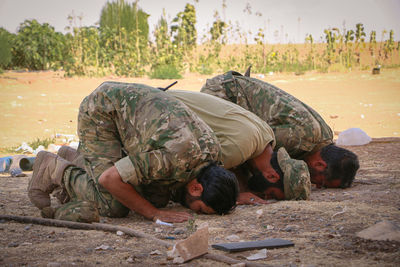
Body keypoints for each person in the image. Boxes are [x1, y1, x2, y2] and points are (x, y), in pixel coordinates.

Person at [27, 82, 239, 223]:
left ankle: (78, 158)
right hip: (103, 112)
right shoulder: (175, 159)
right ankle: (53, 168)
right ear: (195, 187)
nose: (195, 212)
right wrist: (153, 214)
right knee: (113, 204)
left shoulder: (212, 154)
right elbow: (110, 179)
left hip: (132, 121)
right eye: (200, 209)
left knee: (155, 196)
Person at [200, 70, 359, 189]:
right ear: (320, 165)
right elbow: (252, 144)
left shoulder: (323, 137)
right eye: (321, 183)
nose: (316, 185)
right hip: (222, 93)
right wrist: (242, 188)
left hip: (233, 92)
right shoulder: (301, 140)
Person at [167, 90, 311, 204]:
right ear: (272, 175)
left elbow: (235, 167)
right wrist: (235, 196)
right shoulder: (239, 149)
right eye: (271, 194)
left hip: (168, 102)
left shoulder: (267, 137)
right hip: (160, 109)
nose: (265, 195)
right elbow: (203, 175)